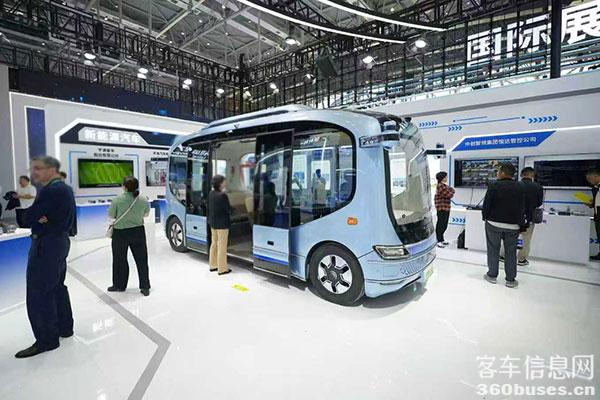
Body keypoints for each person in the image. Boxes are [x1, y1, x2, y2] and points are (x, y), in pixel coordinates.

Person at [15, 156, 75, 358]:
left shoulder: (50, 190)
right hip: (60, 242)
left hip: (46, 245)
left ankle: (47, 340)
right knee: (57, 286)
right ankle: (65, 328)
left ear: (52, 169)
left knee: (39, 292)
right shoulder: (65, 189)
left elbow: (28, 217)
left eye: (39, 168)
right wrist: (41, 217)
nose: (35, 173)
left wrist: (39, 218)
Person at [482, 162, 526, 288]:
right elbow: (523, 207)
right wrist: (522, 224)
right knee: (511, 252)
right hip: (513, 226)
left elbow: (487, 204)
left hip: (493, 223)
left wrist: (485, 217)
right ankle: (510, 280)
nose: (497, 174)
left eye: (498, 171)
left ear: (502, 173)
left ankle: (492, 275)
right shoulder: (520, 186)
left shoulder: (493, 185)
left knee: (493, 249)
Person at [107, 176, 151, 296]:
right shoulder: (143, 199)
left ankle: (119, 285)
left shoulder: (117, 200)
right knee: (142, 260)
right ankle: (145, 286)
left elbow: (111, 216)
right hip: (138, 232)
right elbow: (146, 215)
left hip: (120, 233)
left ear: (124, 187)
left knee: (119, 259)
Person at [208, 175, 231, 275]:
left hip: (213, 223)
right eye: (224, 182)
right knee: (222, 246)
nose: (225, 183)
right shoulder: (223, 195)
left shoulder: (211, 193)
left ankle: (213, 265)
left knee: (214, 244)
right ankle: (222, 269)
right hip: (222, 224)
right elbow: (228, 209)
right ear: (220, 183)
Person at [434, 171, 455, 248]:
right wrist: (451, 191)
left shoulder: (444, 186)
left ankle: (441, 239)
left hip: (445, 207)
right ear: (442, 178)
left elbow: (452, 190)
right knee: (441, 224)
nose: (447, 178)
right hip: (441, 208)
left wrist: (451, 190)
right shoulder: (440, 186)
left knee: (444, 224)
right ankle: (438, 240)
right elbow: (449, 194)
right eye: (446, 177)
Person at [586, 167, 600, 261]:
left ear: (596, 176)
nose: (589, 182)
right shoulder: (595, 189)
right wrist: (591, 204)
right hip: (597, 215)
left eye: (590, 179)